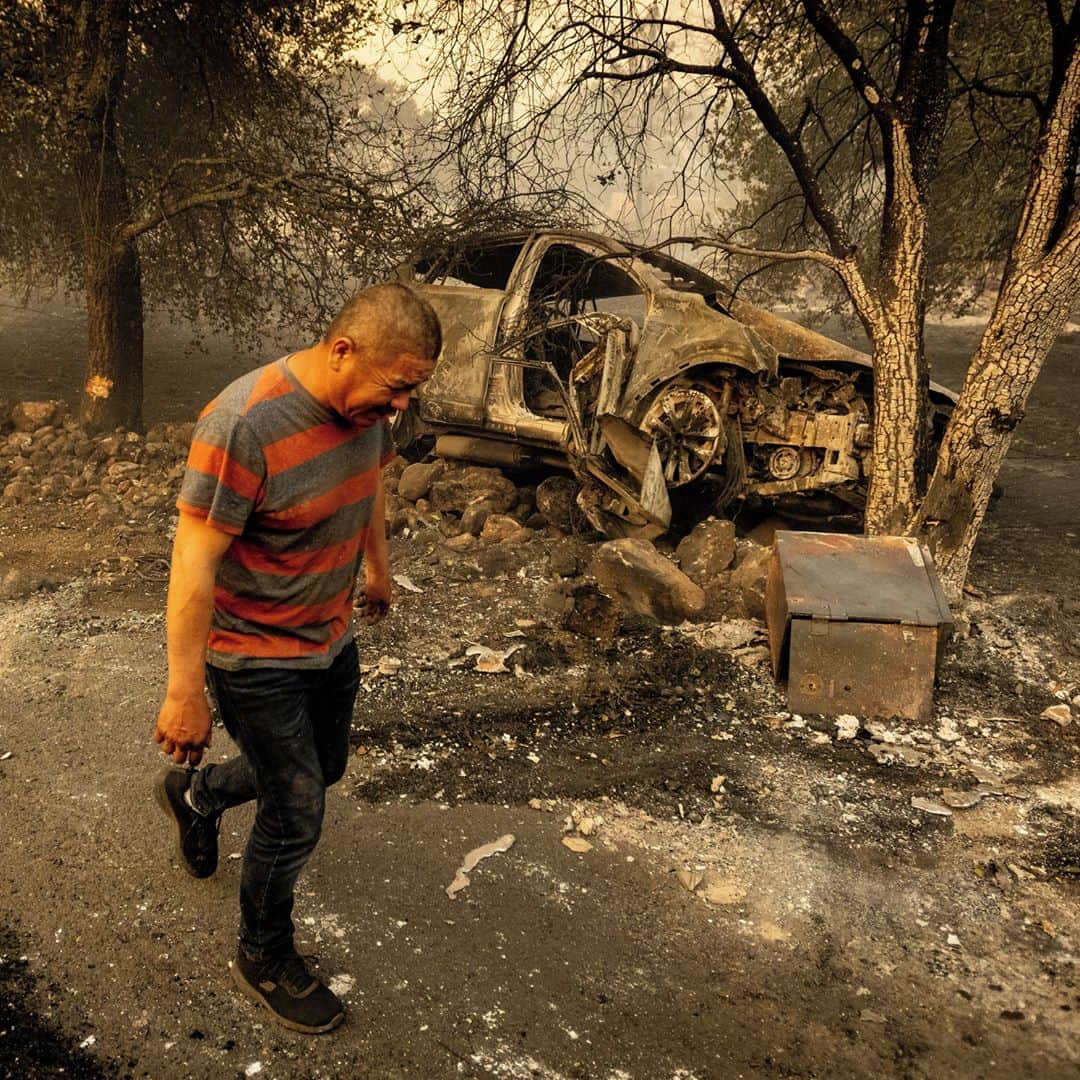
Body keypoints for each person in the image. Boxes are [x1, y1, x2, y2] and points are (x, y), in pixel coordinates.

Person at [151, 283, 440, 1034]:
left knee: (326, 766)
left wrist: (376, 568)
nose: (401, 407)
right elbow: (191, 565)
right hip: (252, 656)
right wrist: (186, 692)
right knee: (298, 807)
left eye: (413, 389)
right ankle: (263, 954)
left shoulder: (367, 412)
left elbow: (368, 481)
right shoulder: (242, 424)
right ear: (343, 351)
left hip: (328, 636)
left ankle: (200, 795)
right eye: (397, 385)